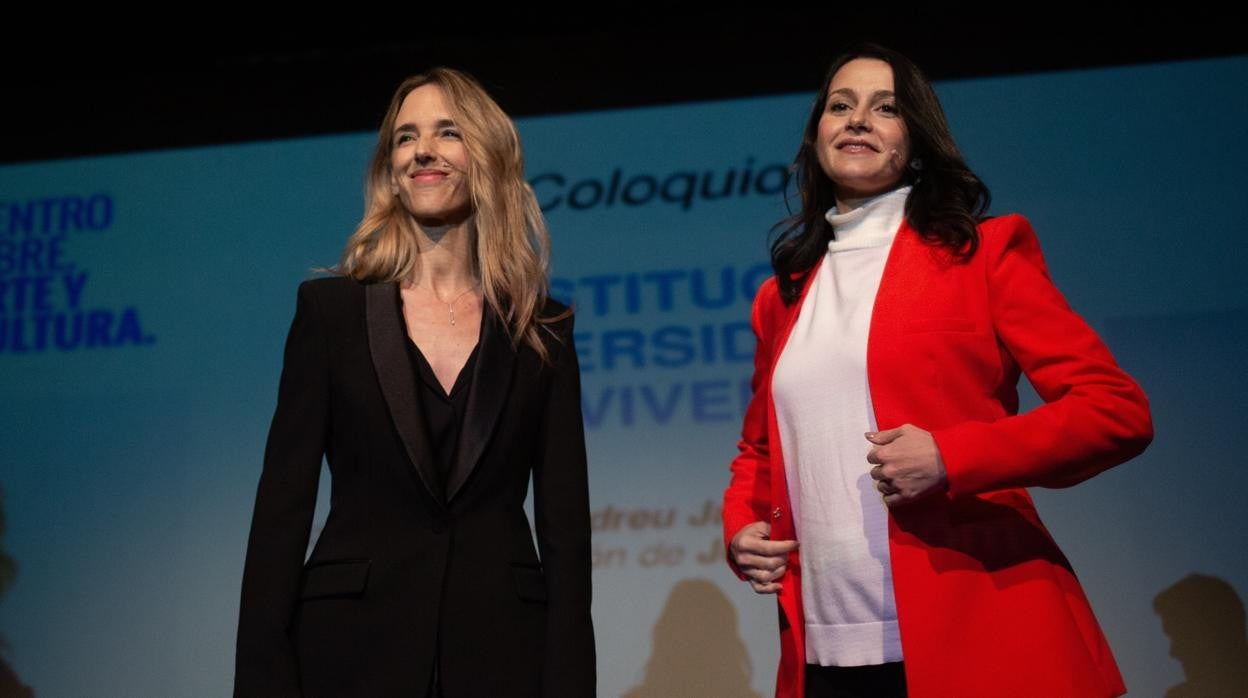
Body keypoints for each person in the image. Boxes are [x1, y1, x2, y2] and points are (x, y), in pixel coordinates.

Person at [722, 43, 1153, 698]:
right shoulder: (781, 295)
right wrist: (742, 528)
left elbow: (1114, 410)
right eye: (840, 106)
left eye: (885, 108)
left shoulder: (983, 255)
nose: (857, 120)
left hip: (980, 632)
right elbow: (758, 450)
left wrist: (953, 456)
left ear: (917, 141)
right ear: (817, 139)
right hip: (824, 649)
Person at [234, 67, 595, 698]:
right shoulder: (331, 313)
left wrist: (569, 680)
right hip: (349, 653)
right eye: (404, 138)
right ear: (390, 169)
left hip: (502, 654)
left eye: (447, 132)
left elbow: (566, 531)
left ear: (486, 155)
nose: (422, 150)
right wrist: (263, 678)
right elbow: (280, 512)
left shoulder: (545, 328)